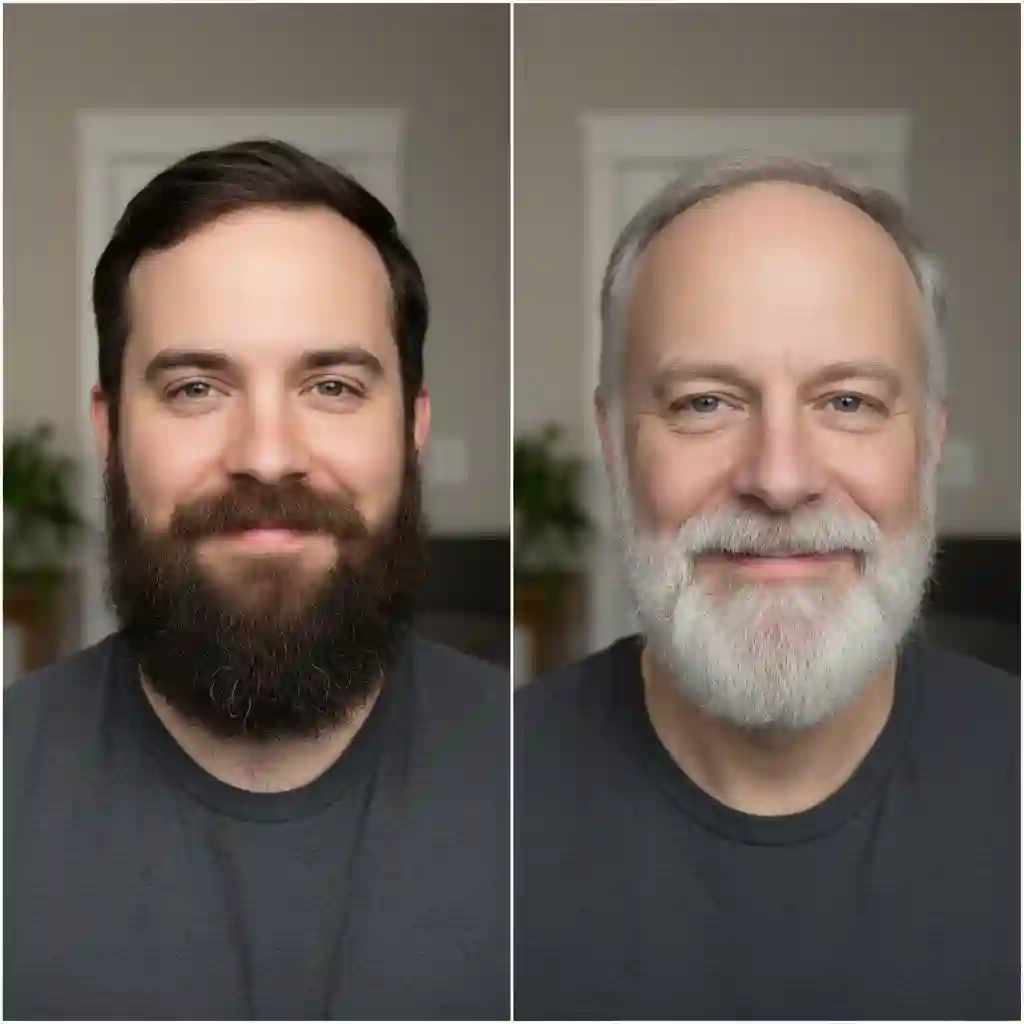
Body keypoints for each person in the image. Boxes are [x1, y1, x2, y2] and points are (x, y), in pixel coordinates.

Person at [5, 140, 509, 1021]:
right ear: (109, 429)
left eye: (333, 386)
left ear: (414, 425)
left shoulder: (554, 793)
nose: (267, 457)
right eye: (197, 388)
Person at [515, 154, 1019, 1021]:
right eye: (705, 403)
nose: (780, 479)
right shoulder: (481, 807)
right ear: (613, 439)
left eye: (849, 402)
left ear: (930, 441)